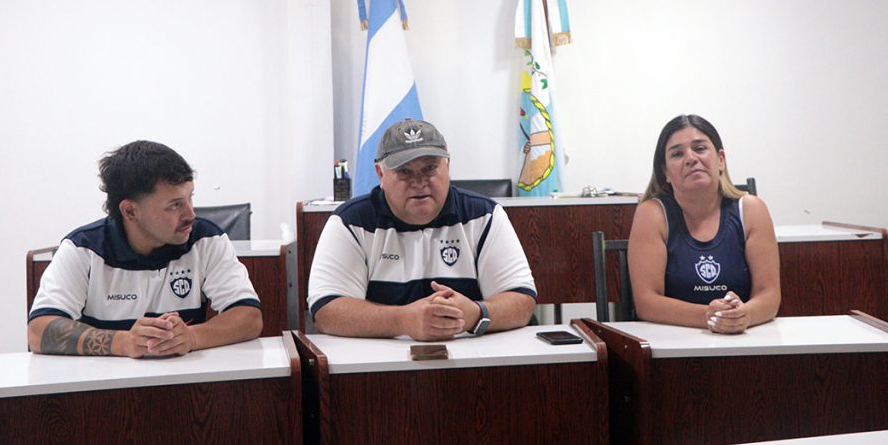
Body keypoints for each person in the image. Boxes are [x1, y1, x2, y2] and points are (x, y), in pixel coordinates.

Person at [307, 119, 537, 340]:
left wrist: (475, 314)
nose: (418, 181)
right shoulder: (350, 222)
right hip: (381, 363)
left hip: (474, 360)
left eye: (429, 168)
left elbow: (522, 301)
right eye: (404, 171)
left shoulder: (485, 215)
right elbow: (326, 311)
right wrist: (403, 321)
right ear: (380, 174)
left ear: (447, 167)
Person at [28, 140, 263, 357]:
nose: (191, 214)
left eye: (190, 198)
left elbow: (249, 317)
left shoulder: (206, 239)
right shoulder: (82, 249)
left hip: (184, 382)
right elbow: (38, 331)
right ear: (130, 211)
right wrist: (122, 342)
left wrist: (191, 337)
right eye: (175, 205)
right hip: (102, 384)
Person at [627, 114, 780, 334]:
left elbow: (769, 296)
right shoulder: (652, 213)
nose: (690, 158)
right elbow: (646, 302)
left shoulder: (752, 209)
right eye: (677, 154)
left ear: (720, 159)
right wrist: (708, 316)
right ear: (665, 172)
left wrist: (744, 315)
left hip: (742, 340)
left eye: (700, 148)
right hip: (673, 343)